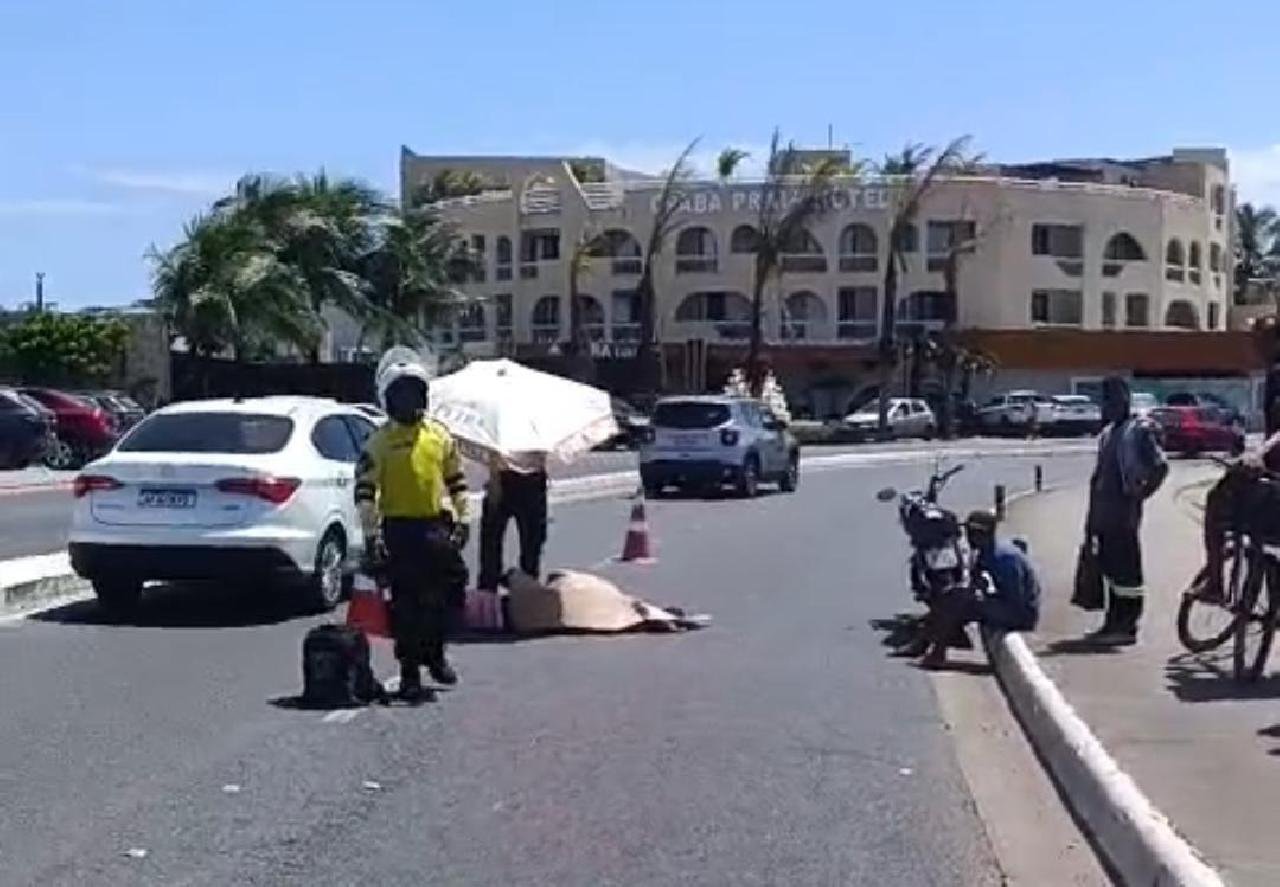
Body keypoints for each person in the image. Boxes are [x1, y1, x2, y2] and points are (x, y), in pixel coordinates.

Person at [355, 357, 470, 701]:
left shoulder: (439, 436)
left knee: (447, 595)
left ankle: (435, 654)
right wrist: (372, 535)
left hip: (436, 527)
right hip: (399, 531)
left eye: (414, 393)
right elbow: (364, 492)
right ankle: (409, 672)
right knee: (406, 606)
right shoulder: (379, 442)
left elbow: (458, 482)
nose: (409, 401)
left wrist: (465, 519)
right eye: (400, 394)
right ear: (387, 399)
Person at [1084, 375, 1167, 645]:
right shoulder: (1108, 433)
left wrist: (1141, 495)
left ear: (1126, 399)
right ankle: (1112, 621)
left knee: (1127, 572)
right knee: (1110, 570)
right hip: (1103, 514)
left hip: (1124, 514)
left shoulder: (1138, 431)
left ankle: (1127, 625)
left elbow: (1160, 466)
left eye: (1116, 398)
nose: (1110, 405)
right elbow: (1098, 477)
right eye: (1107, 399)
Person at [907, 510, 1041, 668]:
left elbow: (1017, 598)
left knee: (959, 601)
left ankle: (935, 652)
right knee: (954, 596)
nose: (969, 537)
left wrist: (980, 599)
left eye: (972, 533)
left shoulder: (1004, 558)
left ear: (983, 535)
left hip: (1020, 613)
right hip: (1007, 605)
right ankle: (926, 644)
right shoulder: (986, 552)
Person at [477, 451, 549, 593]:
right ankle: (488, 596)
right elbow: (493, 449)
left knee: (532, 549)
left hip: (533, 478)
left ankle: (527, 593)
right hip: (505, 476)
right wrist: (494, 478)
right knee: (490, 547)